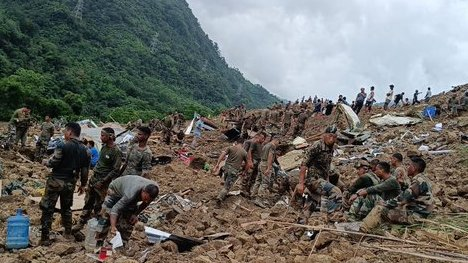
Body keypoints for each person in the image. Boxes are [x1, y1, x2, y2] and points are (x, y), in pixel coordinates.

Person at [39, 123, 90, 245]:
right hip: (70, 183)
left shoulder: (62, 145)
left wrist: (45, 162)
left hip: (55, 181)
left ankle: (45, 238)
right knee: (66, 208)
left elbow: (54, 162)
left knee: (48, 208)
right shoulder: (86, 150)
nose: (64, 134)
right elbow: (85, 171)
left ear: (70, 132)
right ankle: (68, 233)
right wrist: (83, 185)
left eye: (65, 132)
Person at [361, 157, 433, 232]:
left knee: (380, 209)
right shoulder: (423, 179)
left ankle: (362, 230)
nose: (407, 168)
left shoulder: (418, 181)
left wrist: (386, 203)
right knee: (390, 208)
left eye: (409, 166)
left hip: (416, 217)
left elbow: (403, 199)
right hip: (419, 213)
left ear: (414, 168)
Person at [74, 127, 122, 232]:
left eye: (103, 135)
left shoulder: (116, 151)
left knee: (99, 206)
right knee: (88, 202)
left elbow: (115, 170)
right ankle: (81, 224)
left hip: (103, 184)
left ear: (110, 137)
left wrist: (103, 181)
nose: (101, 137)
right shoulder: (104, 147)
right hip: (94, 179)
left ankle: (96, 229)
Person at [96, 175, 159, 245]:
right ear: (143, 191)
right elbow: (115, 209)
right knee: (106, 216)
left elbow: (146, 203)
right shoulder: (130, 194)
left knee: (128, 219)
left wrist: (135, 214)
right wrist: (113, 226)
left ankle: (121, 244)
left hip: (132, 194)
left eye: (149, 200)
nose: (146, 201)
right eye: (145, 198)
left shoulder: (154, 190)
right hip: (115, 191)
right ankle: (99, 242)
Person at [214, 138, 247, 204]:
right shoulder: (244, 152)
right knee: (227, 187)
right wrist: (244, 171)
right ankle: (219, 198)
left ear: (236, 142)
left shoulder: (230, 148)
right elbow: (248, 163)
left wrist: (217, 164)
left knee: (226, 183)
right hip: (233, 171)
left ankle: (223, 193)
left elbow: (222, 155)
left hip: (226, 169)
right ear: (243, 143)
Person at [251, 135, 280, 207]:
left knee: (258, 180)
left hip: (261, 163)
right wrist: (269, 167)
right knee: (265, 182)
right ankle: (259, 199)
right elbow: (270, 156)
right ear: (276, 140)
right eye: (278, 142)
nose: (278, 144)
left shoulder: (266, 145)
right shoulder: (272, 146)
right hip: (266, 164)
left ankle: (253, 196)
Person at [241, 132, 266, 197]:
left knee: (253, 177)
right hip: (253, 161)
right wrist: (250, 161)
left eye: (264, 138)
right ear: (259, 137)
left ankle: (248, 189)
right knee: (248, 175)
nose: (263, 140)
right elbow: (249, 152)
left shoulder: (261, 144)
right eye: (262, 138)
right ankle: (243, 189)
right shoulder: (254, 143)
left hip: (258, 162)